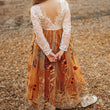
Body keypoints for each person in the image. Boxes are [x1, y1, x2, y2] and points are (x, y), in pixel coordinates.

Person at [25, 0, 97, 109]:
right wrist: (62, 49)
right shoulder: (63, 3)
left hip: (43, 45)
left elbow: (38, 34)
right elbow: (67, 29)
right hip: (61, 41)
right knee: (65, 69)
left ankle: (47, 100)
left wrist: (48, 53)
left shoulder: (35, 9)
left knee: (44, 70)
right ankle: (64, 96)